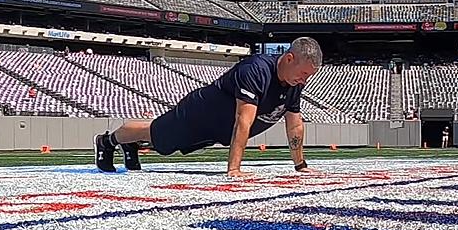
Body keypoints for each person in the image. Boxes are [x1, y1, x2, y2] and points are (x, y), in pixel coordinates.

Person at [94, 37, 323, 176]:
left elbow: (295, 126)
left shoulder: (294, 83)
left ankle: (131, 145)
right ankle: (108, 141)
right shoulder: (256, 70)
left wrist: (300, 165)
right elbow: (243, 120)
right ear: (289, 58)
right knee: (155, 134)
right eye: (303, 73)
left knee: (165, 146)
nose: (304, 80)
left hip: (217, 130)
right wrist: (234, 169)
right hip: (199, 115)